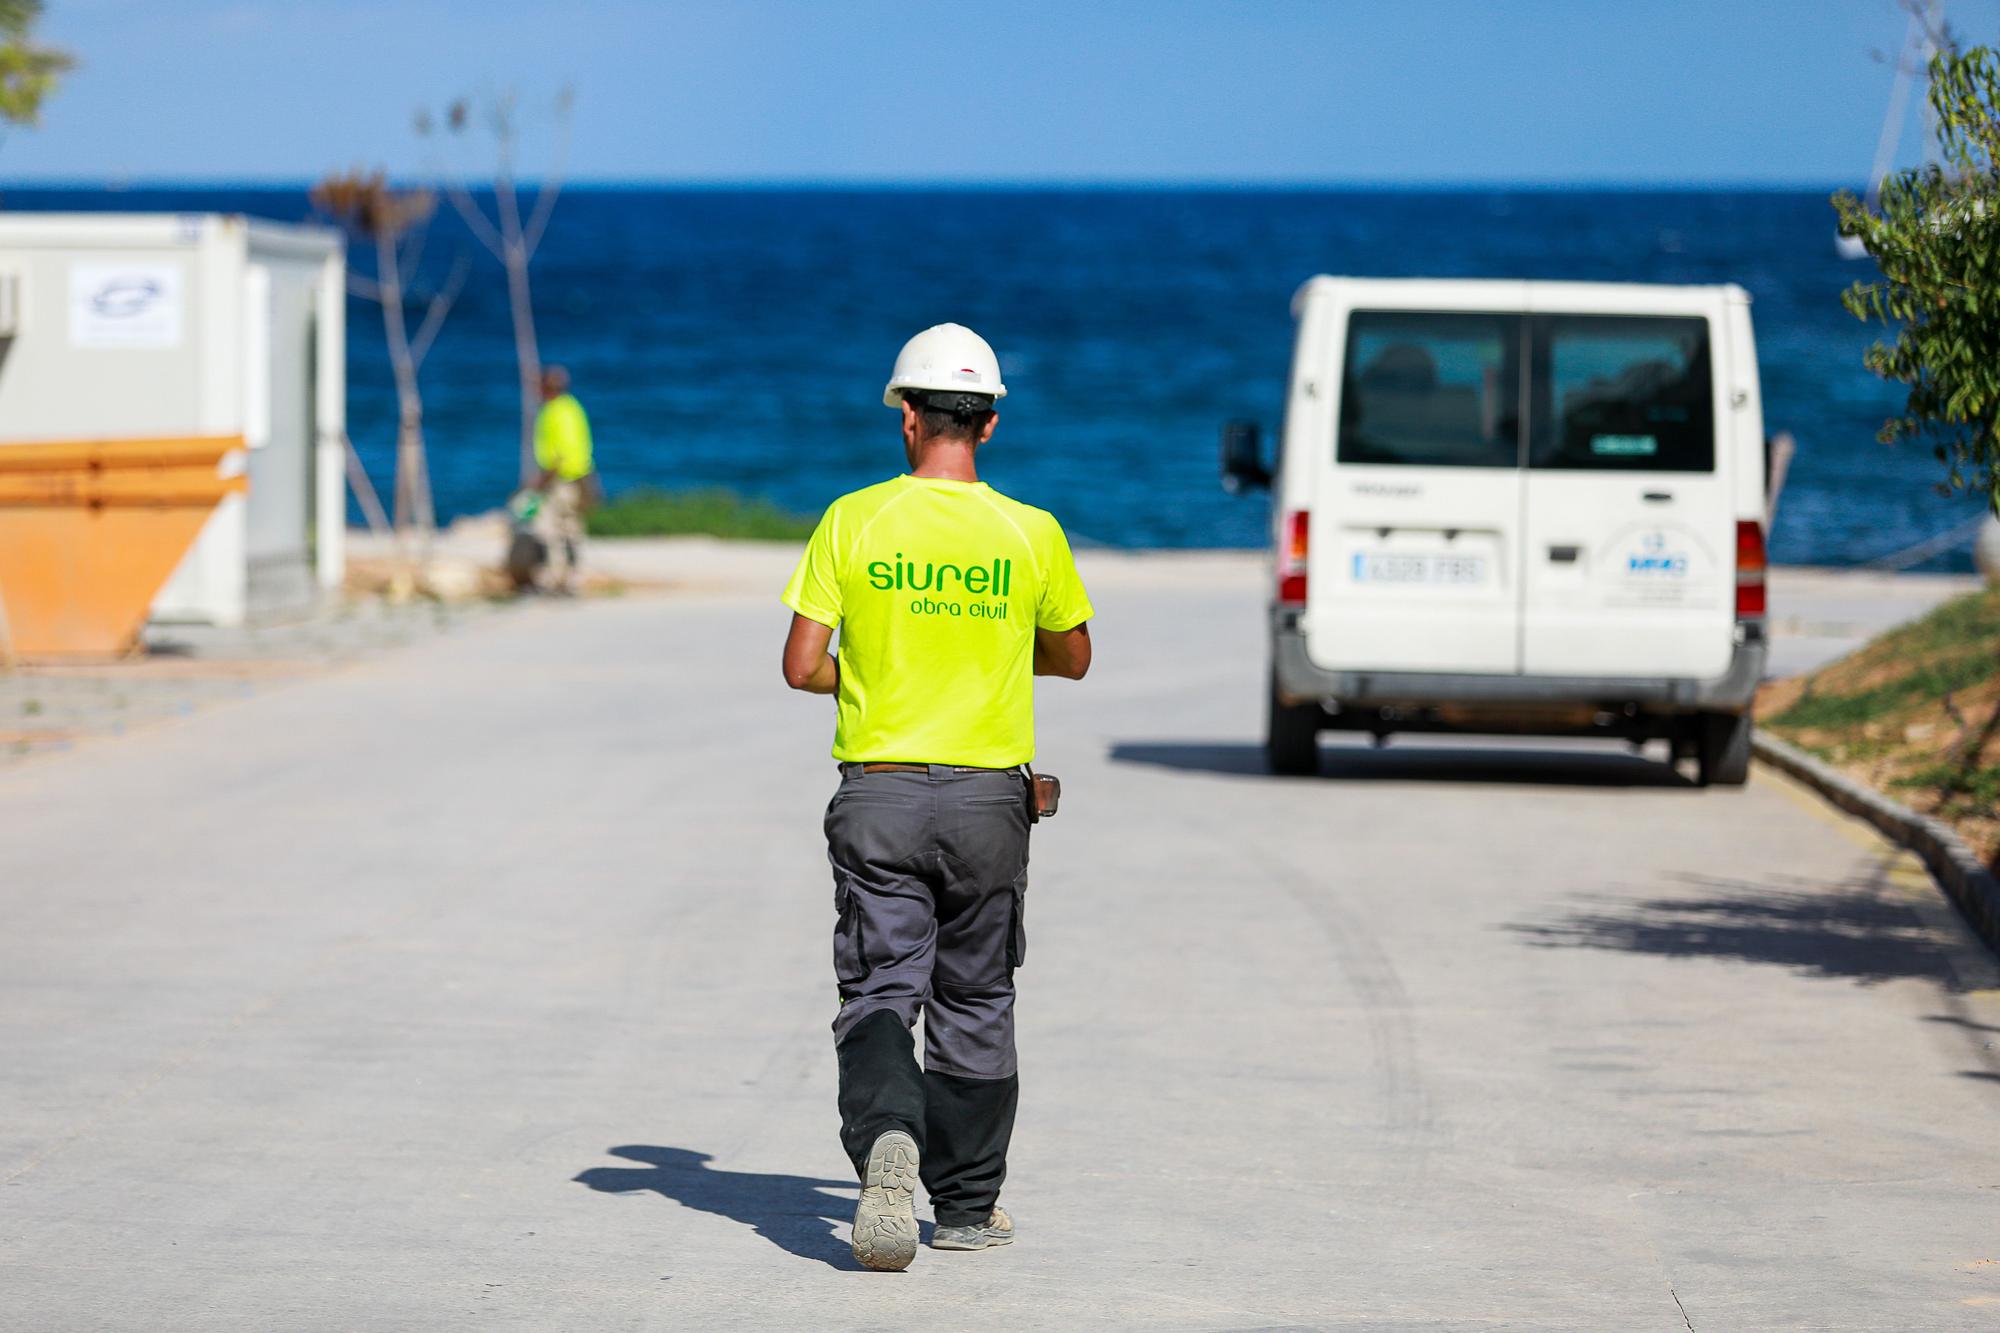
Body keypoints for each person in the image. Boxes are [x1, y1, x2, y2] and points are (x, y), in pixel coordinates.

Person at [779, 323, 1093, 1272]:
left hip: (877, 791)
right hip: (989, 802)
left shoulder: (852, 520)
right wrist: (989, 649)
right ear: (989, 424)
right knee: (977, 992)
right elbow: (1073, 656)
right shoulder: (1029, 530)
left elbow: (801, 666)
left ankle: (885, 1140)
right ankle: (964, 1206)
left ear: (908, 417)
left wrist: (878, 669)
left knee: (879, 985)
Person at [528, 365, 595, 593]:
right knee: (571, 527)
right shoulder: (573, 407)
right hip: (579, 475)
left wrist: (541, 480)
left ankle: (556, 576)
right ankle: (573, 576)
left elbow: (560, 453)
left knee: (550, 528)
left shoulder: (555, 411)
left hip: (561, 479)